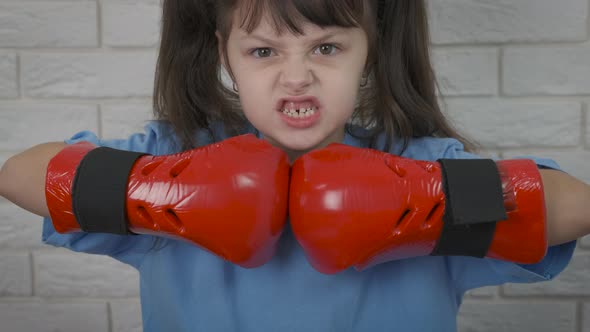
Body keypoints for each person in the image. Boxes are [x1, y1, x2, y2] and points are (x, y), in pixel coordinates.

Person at [0, 0, 589, 331]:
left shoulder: (421, 162)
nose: (297, 75)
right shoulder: (176, 155)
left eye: (326, 47)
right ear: (225, 57)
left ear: (369, 54)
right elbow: (21, 174)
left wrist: (422, 202)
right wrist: (161, 191)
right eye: (263, 51)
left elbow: (574, 206)